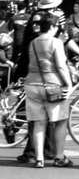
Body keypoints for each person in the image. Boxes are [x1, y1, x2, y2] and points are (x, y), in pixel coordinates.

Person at [24, 11, 74, 167]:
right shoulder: (55, 42)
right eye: (57, 26)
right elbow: (60, 65)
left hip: (32, 84)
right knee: (60, 121)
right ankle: (59, 157)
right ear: (52, 27)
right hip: (53, 85)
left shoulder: (33, 42)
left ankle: (39, 158)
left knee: (39, 122)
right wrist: (69, 84)